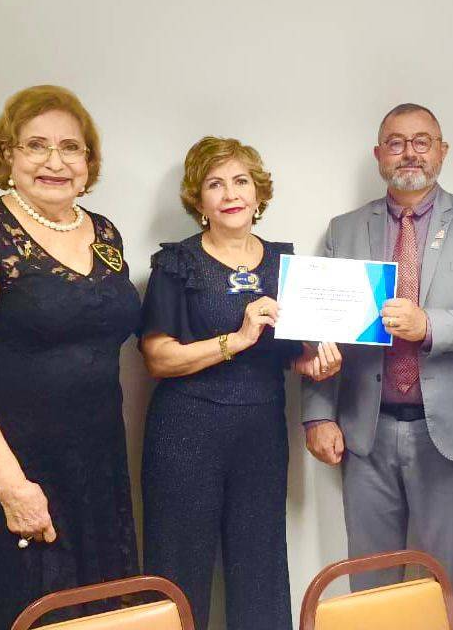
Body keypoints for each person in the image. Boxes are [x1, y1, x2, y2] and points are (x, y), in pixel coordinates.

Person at [0, 85, 140, 630]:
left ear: (88, 161)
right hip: (7, 472)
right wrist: (13, 489)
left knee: (94, 616)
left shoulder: (105, 233)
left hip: (94, 469)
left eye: (70, 147)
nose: (54, 162)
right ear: (8, 155)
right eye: (36, 145)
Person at [302, 103, 453, 630]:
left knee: (442, 585)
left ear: (442, 151)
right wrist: (318, 414)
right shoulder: (344, 230)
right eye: (397, 142)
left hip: (451, 432)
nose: (410, 153)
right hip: (366, 432)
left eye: (422, 141)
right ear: (379, 154)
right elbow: (320, 331)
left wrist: (429, 325)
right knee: (370, 586)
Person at [139, 136, 341, 630]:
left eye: (240, 181)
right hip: (186, 432)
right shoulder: (177, 263)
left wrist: (314, 362)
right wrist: (238, 338)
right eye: (215, 184)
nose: (230, 194)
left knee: (261, 569)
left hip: (261, 432)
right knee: (179, 569)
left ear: (258, 193)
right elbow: (158, 358)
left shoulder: (285, 265)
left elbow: (290, 353)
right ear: (198, 199)